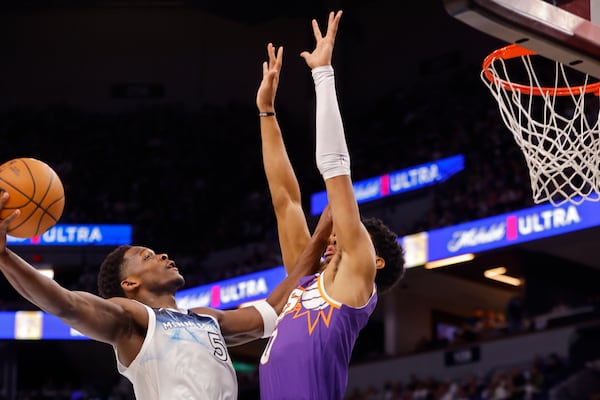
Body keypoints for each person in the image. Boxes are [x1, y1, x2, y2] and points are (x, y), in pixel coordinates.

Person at [0, 191, 332, 400]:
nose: (163, 256)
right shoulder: (131, 319)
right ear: (129, 284)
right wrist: (4, 257)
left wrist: (322, 233)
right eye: (147, 256)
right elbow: (66, 304)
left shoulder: (207, 317)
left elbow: (276, 307)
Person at [256, 10, 406, 400]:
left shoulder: (356, 280)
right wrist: (267, 113)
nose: (337, 231)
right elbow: (285, 201)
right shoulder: (302, 280)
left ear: (375, 261)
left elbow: (336, 169)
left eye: (351, 231)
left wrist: (323, 76)